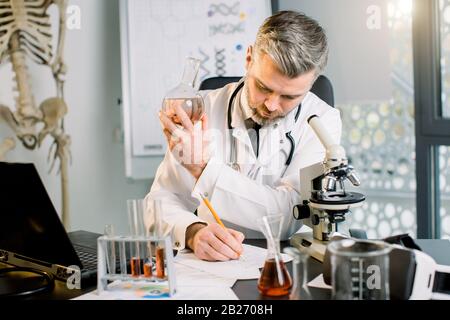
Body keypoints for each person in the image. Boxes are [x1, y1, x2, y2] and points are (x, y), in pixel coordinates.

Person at [145, 10, 342, 262]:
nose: (272, 105)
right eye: (263, 87)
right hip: (209, 265)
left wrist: (203, 169)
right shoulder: (202, 108)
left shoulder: (322, 121)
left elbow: (288, 216)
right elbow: (161, 199)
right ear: (249, 59)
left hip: (286, 262)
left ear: (311, 83)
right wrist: (193, 232)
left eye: (290, 97)